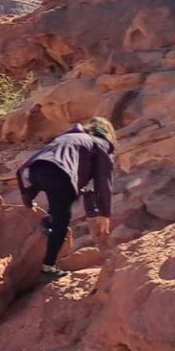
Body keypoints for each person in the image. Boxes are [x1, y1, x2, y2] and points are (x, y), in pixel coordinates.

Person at [16, 118, 117, 280]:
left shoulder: (69, 138)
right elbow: (103, 181)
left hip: (34, 171)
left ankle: (49, 220)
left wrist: (28, 196)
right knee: (62, 223)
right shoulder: (101, 144)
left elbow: (44, 163)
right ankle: (47, 268)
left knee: (65, 195)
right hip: (59, 175)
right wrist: (104, 213)